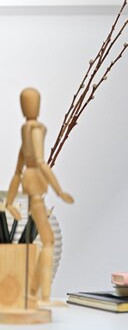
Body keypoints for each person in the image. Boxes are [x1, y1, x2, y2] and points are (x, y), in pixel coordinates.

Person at [6, 87, 74, 305]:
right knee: (48, 241)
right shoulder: (35, 129)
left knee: (40, 242)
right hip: (35, 192)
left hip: (29, 188)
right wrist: (59, 189)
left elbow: (17, 171)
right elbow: (41, 162)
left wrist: (9, 202)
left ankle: (33, 292)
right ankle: (40, 295)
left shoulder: (24, 131)